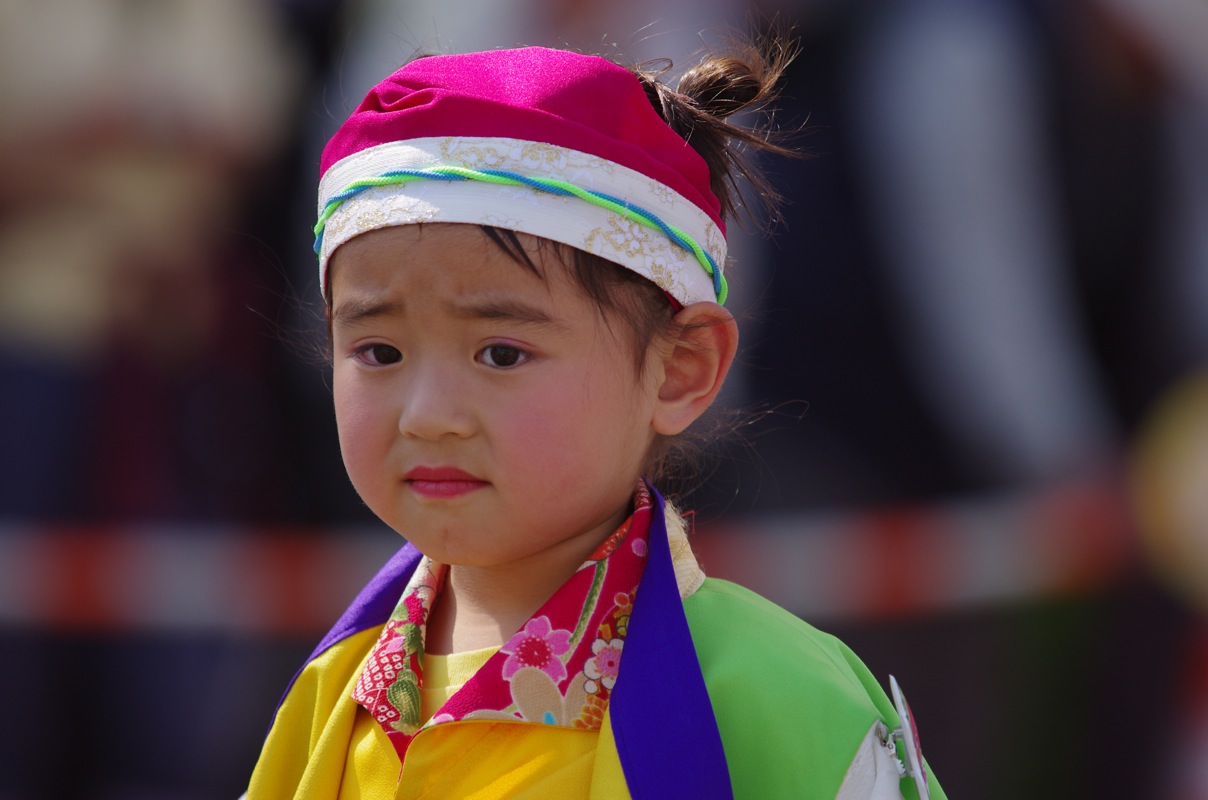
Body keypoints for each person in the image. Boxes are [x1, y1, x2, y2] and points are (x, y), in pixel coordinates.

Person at [246, 41, 945, 799]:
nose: (429, 416)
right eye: (379, 350)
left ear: (680, 369)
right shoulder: (333, 690)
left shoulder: (775, 695)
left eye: (502, 354)